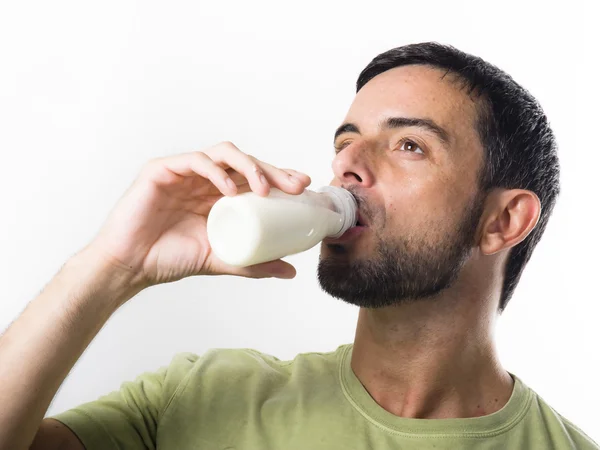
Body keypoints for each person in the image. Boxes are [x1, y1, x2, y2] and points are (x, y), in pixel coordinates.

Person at [0, 42, 596, 450]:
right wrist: (112, 265)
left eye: (409, 145)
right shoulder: (202, 397)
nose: (345, 166)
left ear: (503, 220)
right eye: (346, 140)